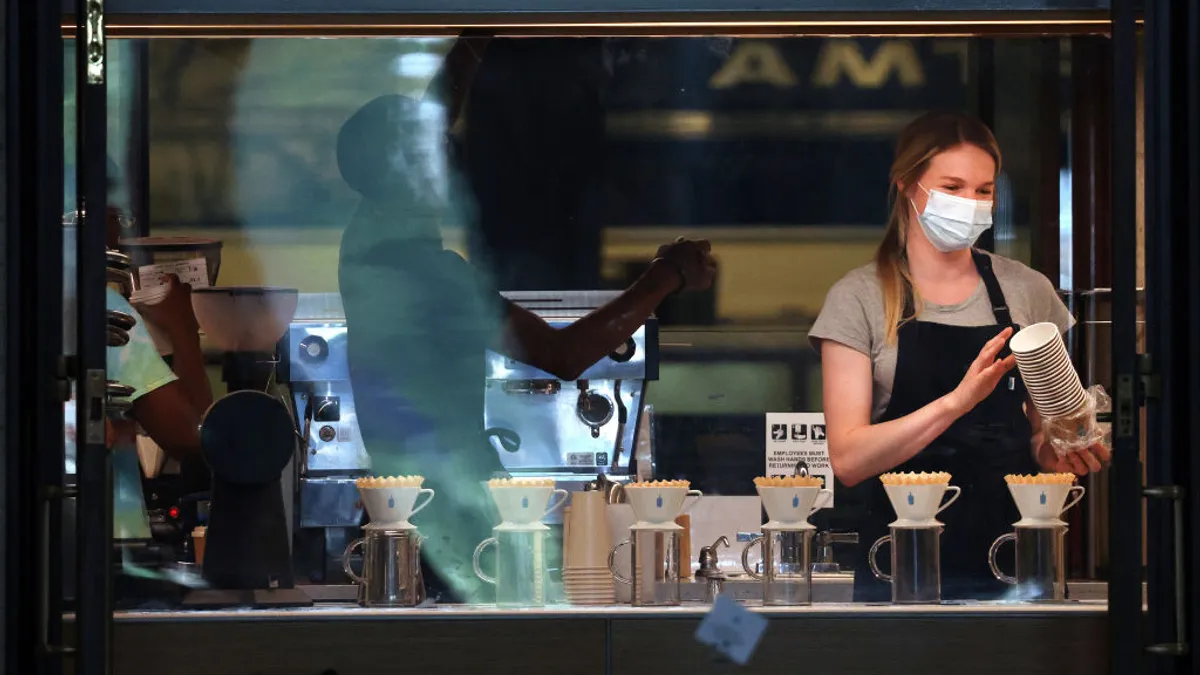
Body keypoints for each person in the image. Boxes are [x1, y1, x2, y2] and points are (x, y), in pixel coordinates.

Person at [336, 94, 715, 602]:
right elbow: (564, 356)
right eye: (434, 156)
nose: (449, 165)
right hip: (458, 519)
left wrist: (479, 31)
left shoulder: (364, 246)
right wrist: (665, 276)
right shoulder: (430, 276)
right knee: (569, 630)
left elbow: (422, 117)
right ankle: (741, 644)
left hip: (420, 507)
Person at [809, 111, 1110, 602]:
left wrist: (1061, 451)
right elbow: (849, 459)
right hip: (897, 566)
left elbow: (1045, 434)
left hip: (1014, 563)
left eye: (984, 190)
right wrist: (957, 402)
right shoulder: (859, 298)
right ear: (907, 186)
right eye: (952, 187)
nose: (970, 204)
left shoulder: (1027, 292)